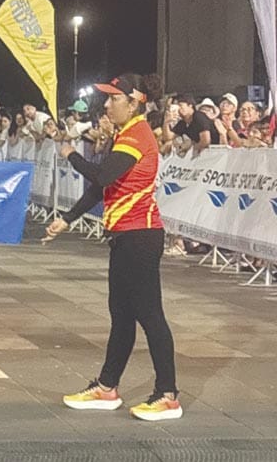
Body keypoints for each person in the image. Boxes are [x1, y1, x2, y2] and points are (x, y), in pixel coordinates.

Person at [45, 73, 182, 422]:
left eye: (114, 99)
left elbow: (101, 176)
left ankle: (168, 395)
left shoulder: (137, 134)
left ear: (134, 103)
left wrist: (70, 153)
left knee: (150, 315)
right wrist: (68, 218)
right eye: (107, 98)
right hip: (125, 236)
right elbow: (103, 189)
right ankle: (107, 388)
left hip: (141, 236)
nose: (107, 105)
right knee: (121, 315)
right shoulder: (125, 133)